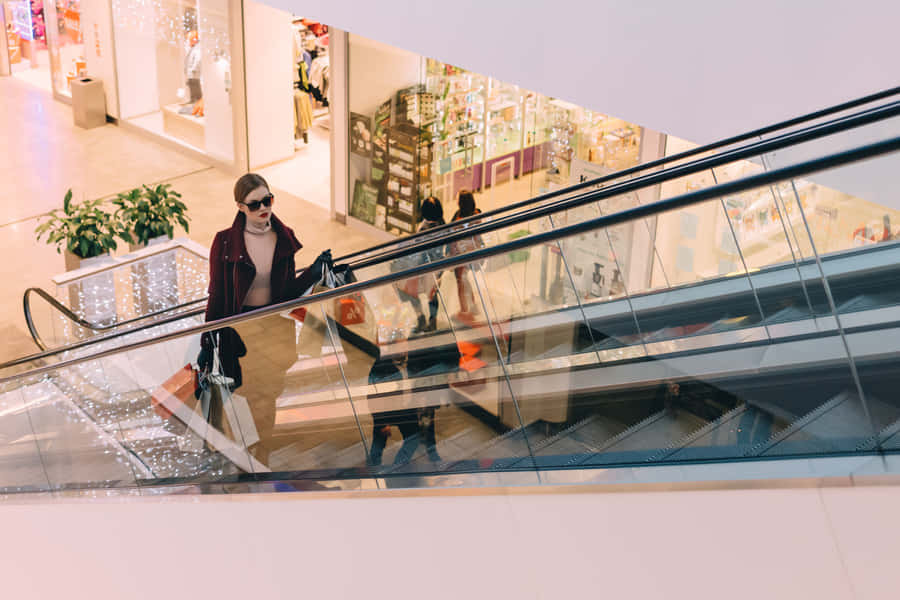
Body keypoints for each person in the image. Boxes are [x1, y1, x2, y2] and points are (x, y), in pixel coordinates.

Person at [201, 172, 330, 462]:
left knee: (267, 399)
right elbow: (218, 296)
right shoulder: (224, 243)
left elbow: (286, 295)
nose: (263, 208)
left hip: (272, 331)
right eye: (254, 204)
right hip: (238, 333)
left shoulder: (282, 239)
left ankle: (264, 453)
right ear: (239, 207)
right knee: (245, 395)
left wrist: (314, 272)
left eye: (267, 200)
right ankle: (246, 449)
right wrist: (207, 342)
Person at [367, 327, 441, 466]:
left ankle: (398, 466)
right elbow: (374, 398)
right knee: (378, 443)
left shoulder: (411, 360)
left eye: (405, 344)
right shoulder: (381, 367)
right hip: (386, 411)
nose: (404, 348)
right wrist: (383, 422)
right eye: (400, 346)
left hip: (405, 409)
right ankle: (373, 469)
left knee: (413, 437)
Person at [394, 196, 446, 334]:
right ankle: (432, 321)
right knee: (432, 295)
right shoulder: (442, 223)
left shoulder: (425, 229)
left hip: (423, 267)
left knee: (410, 292)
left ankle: (421, 318)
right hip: (438, 267)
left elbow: (420, 251)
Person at [449, 190, 483, 322]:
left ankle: (464, 311)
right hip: (472, 252)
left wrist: (452, 257)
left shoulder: (459, 221)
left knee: (460, 281)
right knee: (465, 279)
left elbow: (454, 239)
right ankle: (473, 305)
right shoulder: (476, 215)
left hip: (462, 253)